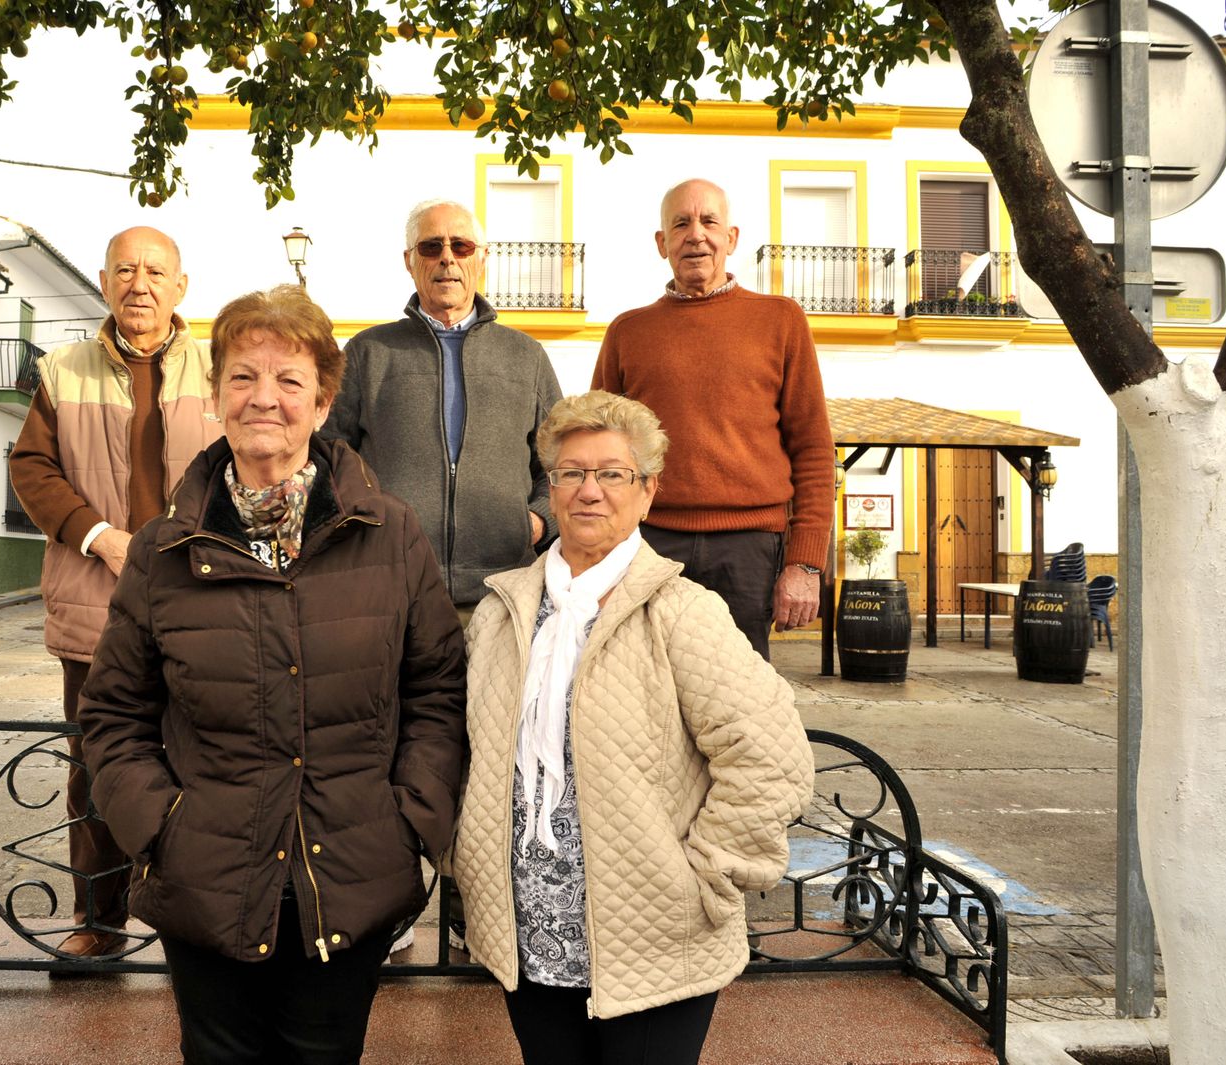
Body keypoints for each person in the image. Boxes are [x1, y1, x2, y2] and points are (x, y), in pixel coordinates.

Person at [78, 286, 466, 1065]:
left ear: (323, 404)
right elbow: (113, 714)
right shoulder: (163, 549)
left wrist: (409, 820)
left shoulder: (389, 533)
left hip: (352, 871)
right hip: (207, 875)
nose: (266, 399)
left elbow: (437, 691)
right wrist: (161, 828)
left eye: (290, 381)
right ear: (217, 397)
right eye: (244, 377)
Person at [451, 391, 814, 1065]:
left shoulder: (682, 612)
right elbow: (469, 756)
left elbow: (773, 759)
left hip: (654, 938)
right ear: (551, 489)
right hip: (532, 936)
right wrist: (466, 861)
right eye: (572, 472)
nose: (590, 490)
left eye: (612, 474)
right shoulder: (501, 613)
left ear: (647, 492)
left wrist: (704, 876)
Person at [9, 225, 221, 959]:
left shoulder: (221, 366)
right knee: (97, 769)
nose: (140, 284)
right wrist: (99, 535)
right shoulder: (61, 370)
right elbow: (32, 470)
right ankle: (97, 922)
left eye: (156, 271)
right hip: (95, 608)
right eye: (125, 270)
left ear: (181, 286)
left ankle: (192, 926)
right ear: (104, 283)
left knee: (203, 767)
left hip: (203, 610)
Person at [591, 178, 834, 660]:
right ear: (662, 243)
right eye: (680, 223)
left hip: (749, 551)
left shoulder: (781, 320)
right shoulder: (627, 331)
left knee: (740, 700)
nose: (695, 234)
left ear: (732, 238)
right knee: (641, 691)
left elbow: (812, 447)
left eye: (709, 222)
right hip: (648, 543)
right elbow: (599, 448)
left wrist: (806, 563)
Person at [322, 198, 563, 614]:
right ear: (409, 261)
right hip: (392, 589)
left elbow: (561, 462)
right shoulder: (369, 352)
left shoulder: (526, 356)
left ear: (482, 259)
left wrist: (538, 520)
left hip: (504, 592)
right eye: (431, 247)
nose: (447, 258)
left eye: (462, 247)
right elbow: (328, 457)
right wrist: (363, 527)